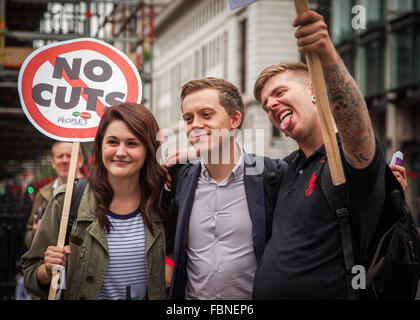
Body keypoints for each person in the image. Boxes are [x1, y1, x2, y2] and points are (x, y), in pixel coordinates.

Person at [251, 10, 404, 299]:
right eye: (265, 103)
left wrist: (326, 52)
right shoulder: (287, 169)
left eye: (280, 92)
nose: (271, 104)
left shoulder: (346, 160)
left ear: (314, 89)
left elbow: (357, 132)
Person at [21, 103, 171, 300]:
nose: (120, 152)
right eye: (112, 142)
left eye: (132, 143)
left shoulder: (164, 202)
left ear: (149, 150)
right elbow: (31, 274)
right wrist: (48, 270)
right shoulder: (67, 200)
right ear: (100, 146)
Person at [165, 77, 288, 300]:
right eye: (188, 118)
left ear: (235, 119)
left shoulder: (271, 176)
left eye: (206, 115)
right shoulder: (179, 179)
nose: (195, 125)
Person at [24, 142, 85, 249]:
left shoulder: (92, 191)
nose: (64, 160)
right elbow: (28, 237)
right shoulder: (43, 194)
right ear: (53, 162)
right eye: (60, 156)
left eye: (69, 155)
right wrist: (35, 234)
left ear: (80, 161)